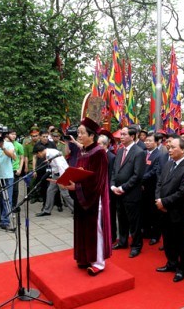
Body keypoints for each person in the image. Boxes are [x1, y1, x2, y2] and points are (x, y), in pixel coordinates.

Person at [60, 117, 111, 276]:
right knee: (82, 227)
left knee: (95, 230)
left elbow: (98, 180)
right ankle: (84, 257)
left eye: (82, 133)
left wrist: (78, 187)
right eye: (79, 133)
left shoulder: (99, 152)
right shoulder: (83, 151)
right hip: (81, 195)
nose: (79, 136)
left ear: (92, 135)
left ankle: (98, 262)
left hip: (94, 198)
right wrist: (69, 182)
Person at [155, 137, 184, 282]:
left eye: (173, 148)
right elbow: (159, 183)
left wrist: (164, 202)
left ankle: (182, 268)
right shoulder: (168, 163)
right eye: (169, 148)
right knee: (167, 239)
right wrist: (158, 200)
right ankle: (171, 263)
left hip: (177, 212)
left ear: (183, 149)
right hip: (163, 209)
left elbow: (182, 192)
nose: (169, 150)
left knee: (180, 242)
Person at [111, 126, 146, 258]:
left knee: (134, 221)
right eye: (121, 134)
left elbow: (137, 176)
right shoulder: (120, 151)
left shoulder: (139, 152)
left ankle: (136, 245)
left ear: (132, 136)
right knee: (121, 218)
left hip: (131, 193)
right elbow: (115, 171)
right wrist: (113, 185)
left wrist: (123, 187)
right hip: (118, 192)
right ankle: (123, 241)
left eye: (124, 134)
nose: (121, 137)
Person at [33, 143, 74, 216]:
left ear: (39, 152)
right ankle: (47, 210)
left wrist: (62, 181)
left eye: (37, 155)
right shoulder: (49, 154)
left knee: (65, 194)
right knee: (50, 191)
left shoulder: (53, 153)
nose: (38, 156)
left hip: (62, 174)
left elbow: (60, 166)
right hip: (56, 174)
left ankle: (77, 210)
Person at [141, 132, 161, 244]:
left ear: (156, 142)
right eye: (146, 141)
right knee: (144, 211)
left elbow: (154, 171)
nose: (147, 143)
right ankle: (146, 231)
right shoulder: (142, 153)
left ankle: (155, 235)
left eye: (150, 141)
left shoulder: (159, 155)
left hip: (152, 187)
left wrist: (141, 179)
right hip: (141, 187)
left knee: (154, 212)